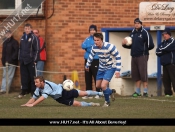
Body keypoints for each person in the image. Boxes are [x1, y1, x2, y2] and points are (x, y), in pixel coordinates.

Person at [85, 33, 121, 107]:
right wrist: (87, 65)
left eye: (97, 40)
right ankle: (111, 92)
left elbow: (118, 57)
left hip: (111, 67)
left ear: (101, 40)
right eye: (95, 40)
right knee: (98, 86)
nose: (96, 42)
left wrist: (118, 70)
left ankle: (107, 102)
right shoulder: (94, 47)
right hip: (101, 67)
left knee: (103, 86)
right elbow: (91, 56)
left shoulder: (110, 47)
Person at [122, 18, 154, 97]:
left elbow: (151, 45)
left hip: (142, 56)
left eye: (138, 23)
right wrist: (123, 44)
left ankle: (145, 92)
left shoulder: (145, 32)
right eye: (135, 23)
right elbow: (129, 46)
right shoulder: (132, 33)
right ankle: (137, 91)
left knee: (143, 74)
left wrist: (143, 50)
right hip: (134, 56)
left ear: (141, 24)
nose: (136, 24)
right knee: (136, 75)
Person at [21, 76, 103, 107]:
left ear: (42, 82)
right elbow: (34, 97)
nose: (35, 84)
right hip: (60, 99)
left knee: (83, 93)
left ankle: (100, 93)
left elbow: (42, 98)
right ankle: (92, 104)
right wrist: (27, 104)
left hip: (64, 91)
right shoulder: (38, 88)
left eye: (37, 82)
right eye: (35, 82)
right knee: (77, 104)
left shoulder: (47, 86)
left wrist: (32, 105)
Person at [18, 23, 39, 98]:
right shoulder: (22, 37)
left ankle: (33, 91)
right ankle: (24, 91)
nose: (27, 30)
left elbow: (36, 49)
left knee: (32, 76)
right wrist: (20, 58)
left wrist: (35, 60)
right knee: (24, 76)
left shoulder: (33, 37)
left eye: (28, 29)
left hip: (30, 60)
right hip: (23, 60)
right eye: (26, 29)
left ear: (31, 29)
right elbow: (20, 49)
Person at [81, 24, 100, 99]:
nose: (92, 31)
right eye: (91, 30)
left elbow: (94, 48)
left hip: (96, 59)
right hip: (87, 59)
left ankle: (98, 93)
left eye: (93, 30)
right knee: (87, 77)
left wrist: (89, 47)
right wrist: (89, 47)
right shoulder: (87, 39)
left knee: (96, 76)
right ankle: (88, 93)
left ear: (96, 31)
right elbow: (83, 46)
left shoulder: (98, 38)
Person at [156, 28, 175, 97]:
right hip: (164, 64)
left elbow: (166, 48)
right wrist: (164, 50)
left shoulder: (173, 41)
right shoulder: (162, 43)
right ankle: (168, 93)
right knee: (166, 80)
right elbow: (157, 52)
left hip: (172, 64)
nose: (164, 35)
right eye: (163, 34)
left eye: (166, 34)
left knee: (174, 79)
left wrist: (163, 50)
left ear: (169, 34)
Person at [0, 30, 19, 94]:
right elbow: (4, 52)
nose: (8, 34)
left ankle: (6, 89)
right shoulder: (5, 42)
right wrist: (3, 59)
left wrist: (12, 59)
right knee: (4, 75)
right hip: (5, 62)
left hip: (12, 62)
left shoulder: (14, 42)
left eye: (9, 33)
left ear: (11, 34)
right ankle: (3, 89)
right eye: (6, 33)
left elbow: (16, 51)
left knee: (9, 76)